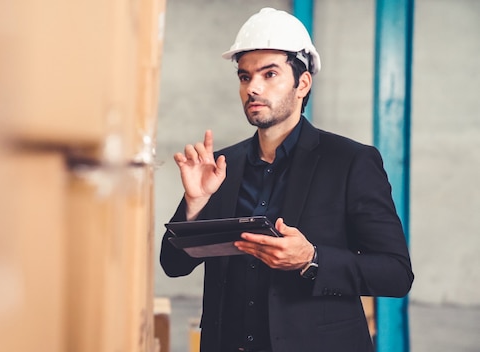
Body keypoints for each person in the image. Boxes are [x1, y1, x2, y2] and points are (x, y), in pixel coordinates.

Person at [159, 7, 414, 352]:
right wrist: (195, 203)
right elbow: (173, 265)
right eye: (245, 77)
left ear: (302, 83)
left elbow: (396, 273)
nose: (253, 88)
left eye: (269, 74)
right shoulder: (222, 166)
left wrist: (312, 258)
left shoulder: (350, 162)